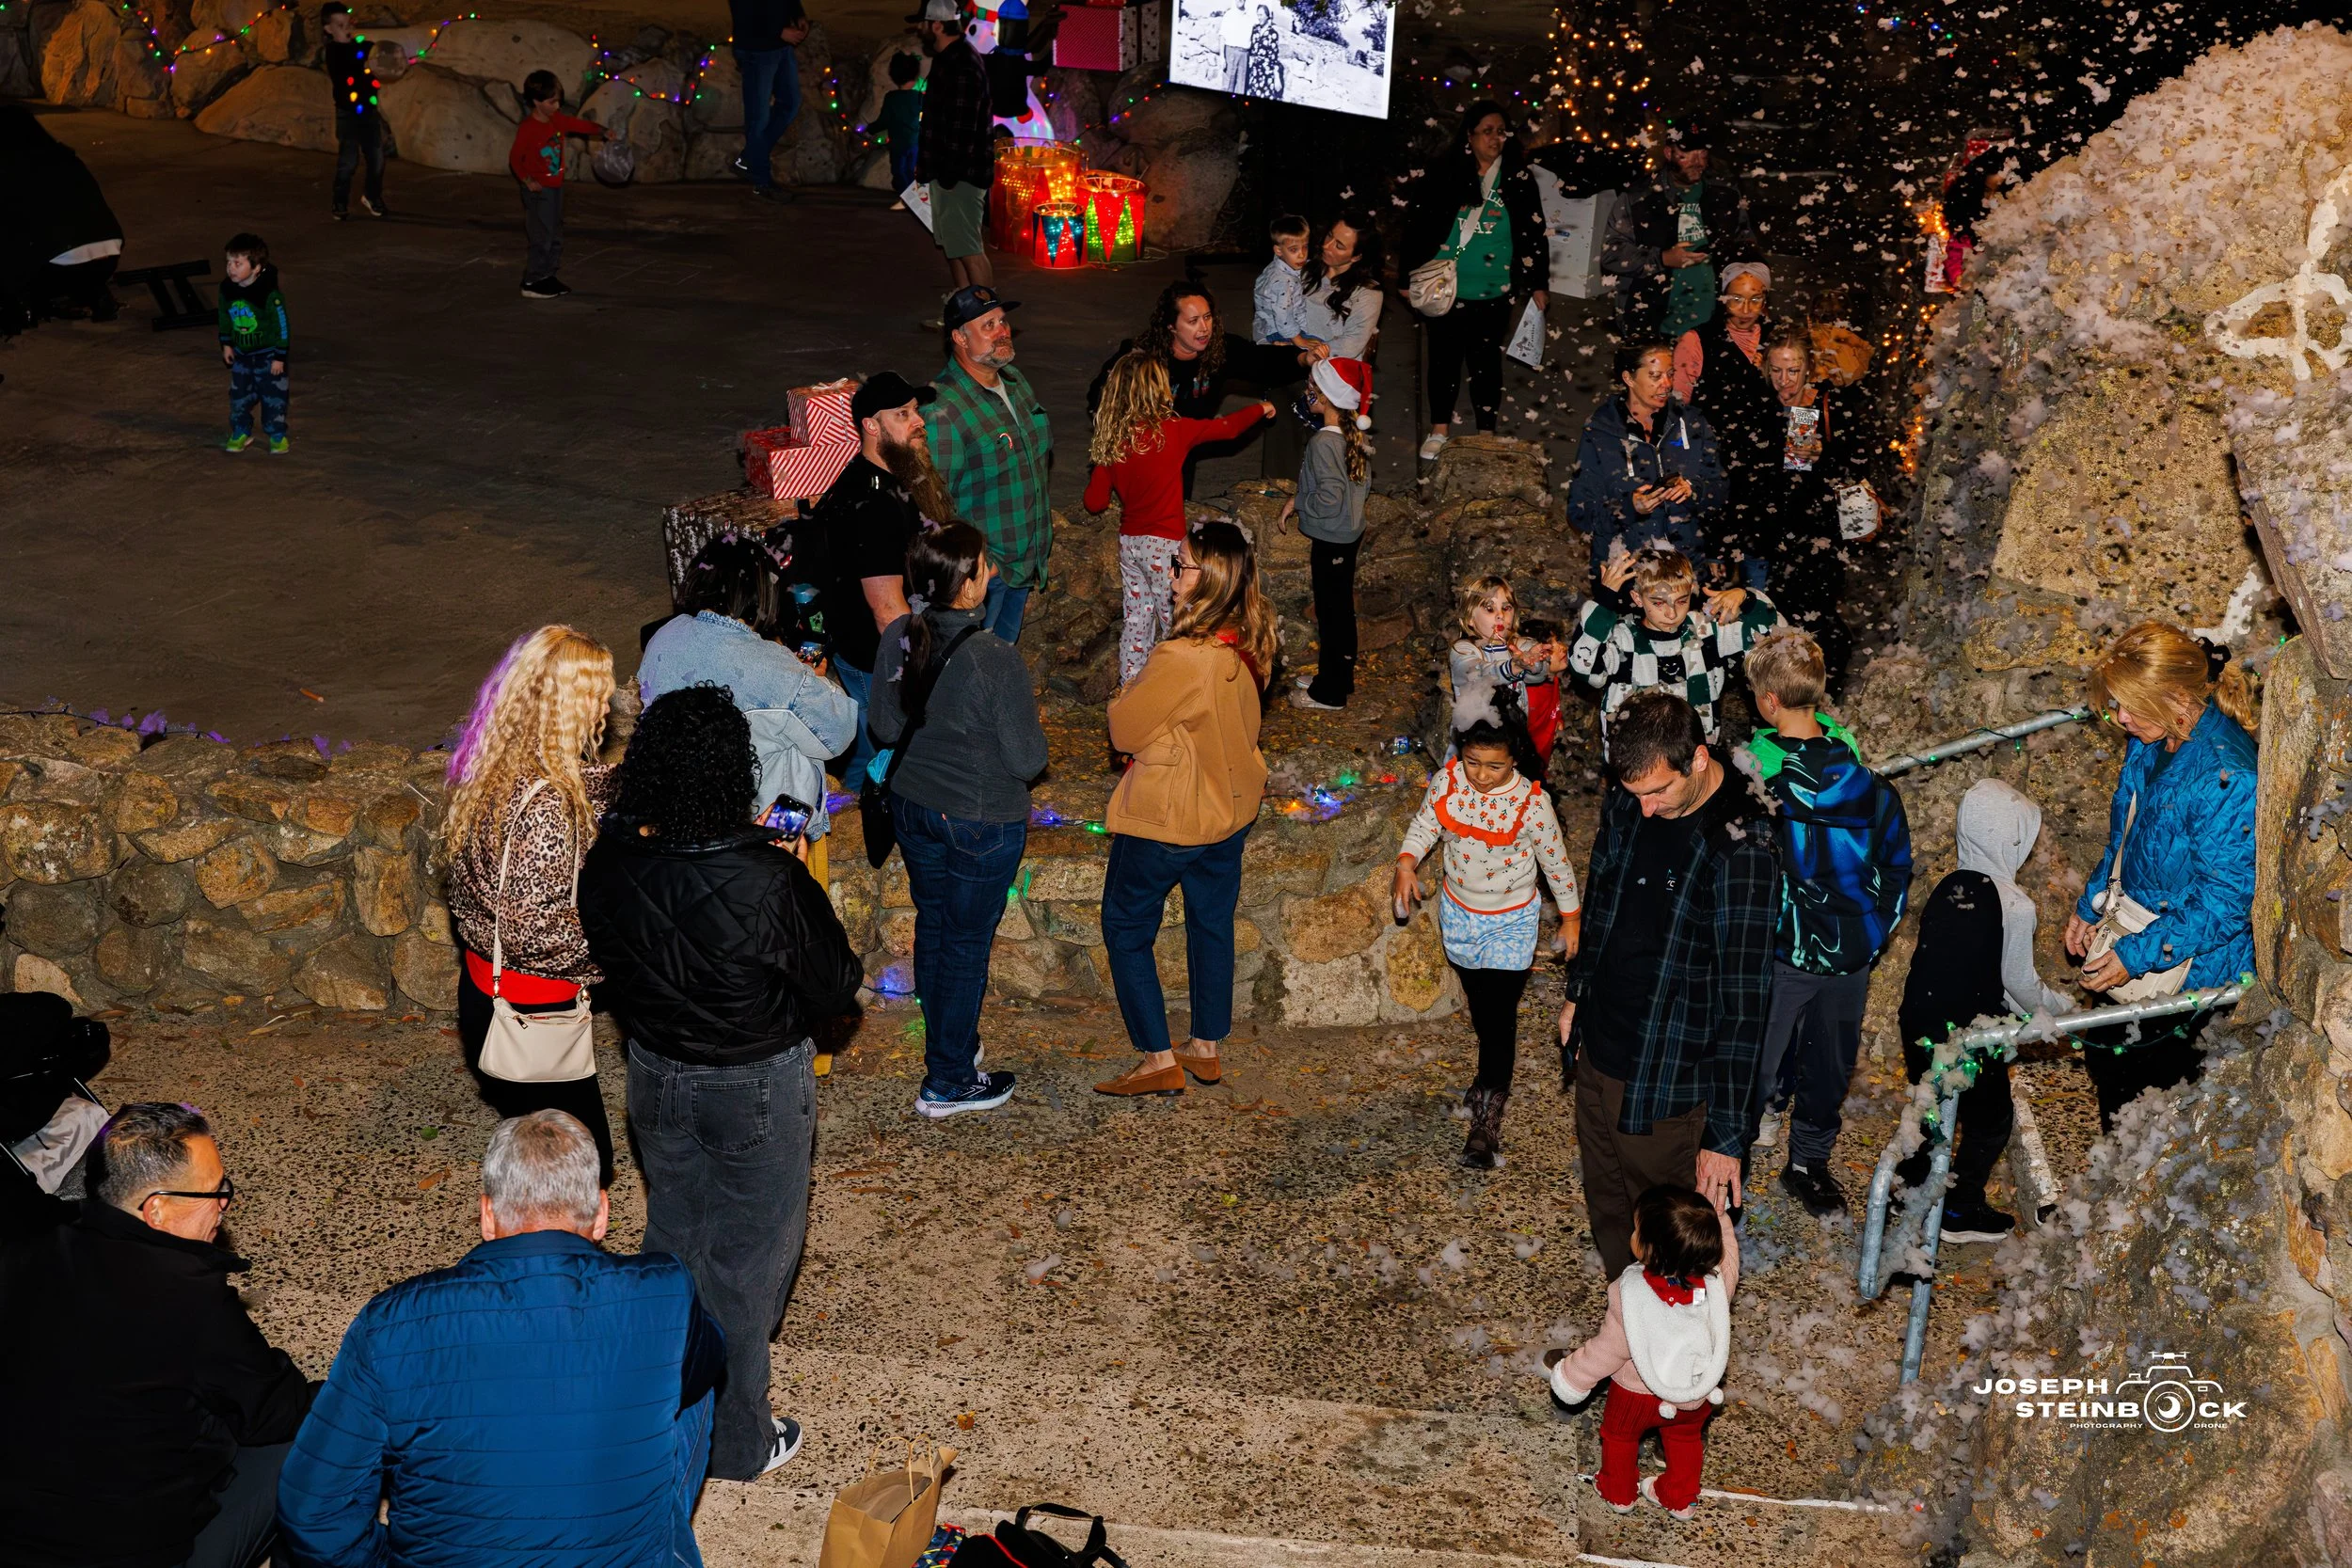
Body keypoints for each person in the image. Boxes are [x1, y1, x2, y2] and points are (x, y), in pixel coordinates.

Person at [577, 692, 862, 1481]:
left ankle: (647, 1406)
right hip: (755, 1085)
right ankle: (738, 1442)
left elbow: (612, 963)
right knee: (744, 1267)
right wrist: (797, 880)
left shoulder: (607, 865)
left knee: (673, 1242)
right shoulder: (767, 877)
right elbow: (837, 983)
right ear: (734, 770)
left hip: (657, 1076)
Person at [277, 1113, 727, 1560]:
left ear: (487, 1215)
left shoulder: (390, 1324)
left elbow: (312, 1509)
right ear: (601, 1213)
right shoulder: (664, 1289)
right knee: (691, 1361)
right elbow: (711, 1363)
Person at [0, 1102, 313, 1568]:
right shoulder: (187, 1298)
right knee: (316, 1436)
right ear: (157, 1210)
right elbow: (275, 1412)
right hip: (123, 1549)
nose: (225, 1204)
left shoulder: (26, 1253)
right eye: (214, 1192)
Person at [1560, 690, 1775, 1278]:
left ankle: (1668, 1365)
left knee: (1671, 1245)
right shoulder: (1632, 796)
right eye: (1635, 794)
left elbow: (1746, 1000)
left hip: (1669, 1079)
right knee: (1612, 1218)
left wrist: (1727, 1135)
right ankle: (1623, 1339)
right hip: (1602, 1046)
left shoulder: (1742, 846)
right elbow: (1602, 895)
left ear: (1698, 759)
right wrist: (1578, 992)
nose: (1646, 809)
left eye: (1659, 792)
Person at [869, 523, 1049, 1117]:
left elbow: (887, 729)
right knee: (966, 943)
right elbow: (1028, 760)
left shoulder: (898, 635)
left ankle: (953, 1047)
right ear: (966, 586)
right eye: (983, 567)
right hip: (978, 820)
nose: (993, 573)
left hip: (914, 808)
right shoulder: (995, 659)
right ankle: (947, 1080)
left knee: (938, 927)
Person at [1094, 521, 1275, 1099]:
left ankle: (1156, 1058)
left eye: (1183, 566)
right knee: (1210, 925)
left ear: (1211, 579)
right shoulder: (1249, 643)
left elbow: (1124, 729)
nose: (1172, 577)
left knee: (1125, 927)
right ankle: (1206, 1047)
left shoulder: (1182, 658)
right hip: (1229, 812)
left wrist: (1127, 696)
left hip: (1169, 818)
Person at [1738, 630, 1911, 1219]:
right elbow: (1896, 865)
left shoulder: (1758, 786)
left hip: (1781, 951)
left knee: (1754, 1059)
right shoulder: (1870, 785)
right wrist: (1870, 929)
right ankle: (1809, 1164)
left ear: (1767, 703)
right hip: (1851, 954)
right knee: (1830, 1062)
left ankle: (1726, 1163)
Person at [442, 625, 620, 1183]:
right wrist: (615, 957)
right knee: (585, 1167)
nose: (609, 701)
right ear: (567, 704)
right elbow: (535, 929)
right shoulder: (547, 804)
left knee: (538, 1150)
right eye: (597, 692)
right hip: (532, 1010)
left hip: (484, 984)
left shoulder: (490, 767)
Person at [2063, 624, 2259, 1130]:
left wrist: (2136, 956)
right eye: (2115, 704)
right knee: (2108, 1073)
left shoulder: (2227, 776)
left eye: (2132, 704)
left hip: (2189, 978)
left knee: (2148, 1113)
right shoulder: (2153, 739)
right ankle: (2105, 1203)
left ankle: (2124, 1205)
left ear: (2177, 695)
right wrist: (2091, 904)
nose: (2121, 718)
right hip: (2135, 940)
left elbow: (2227, 903)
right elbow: (2125, 838)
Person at [1892, 779, 2076, 1244]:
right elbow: (2017, 980)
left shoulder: (1948, 887)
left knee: (1929, 1108)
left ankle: (1907, 1197)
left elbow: (1968, 968)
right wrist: (2057, 1010)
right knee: (1991, 1119)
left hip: (1920, 1022)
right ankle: (1961, 1208)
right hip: (1973, 1035)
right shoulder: (2014, 905)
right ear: (2013, 840)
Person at [1394, 711, 1581, 1168]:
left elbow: (1555, 861)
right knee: (1483, 1008)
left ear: (1515, 760)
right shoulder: (1449, 783)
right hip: (1460, 915)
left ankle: (1486, 1118)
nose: (1480, 774)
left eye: (1493, 766)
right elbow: (1425, 827)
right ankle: (1488, 1074)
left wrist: (1571, 917)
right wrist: (1405, 863)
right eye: (1473, 761)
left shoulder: (1531, 804)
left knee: (1499, 1018)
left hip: (1512, 921)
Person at [638, 535, 860, 879]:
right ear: (763, 594)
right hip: (771, 831)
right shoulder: (771, 666)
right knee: (792, 918)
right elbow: (840, 731)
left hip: (679, 820)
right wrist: (810, 676)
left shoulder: (665, 636)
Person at [1543, 1185, 1739, 1522]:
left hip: (1636, 1396)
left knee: (1619, 1436)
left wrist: (1573, 1376)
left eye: (1637, 1230)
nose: (1633, 1234)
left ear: (1650, 1250)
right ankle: (1678, 1497)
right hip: (1697, 1394)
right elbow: (1730, 1253)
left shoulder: (1630, 1295)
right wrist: (1718, 1217)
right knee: (1684, 1440)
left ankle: (1618, 1492)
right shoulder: (1720, 1283)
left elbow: (1608, 1350)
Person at [1085, 350, 1275, 681]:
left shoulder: (1114, 442)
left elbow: (1095, 502)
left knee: (1136, 621)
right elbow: (1227, 429)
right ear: (1158, 389)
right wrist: (1260, 408)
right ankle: (1173, 682)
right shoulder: (1173, 430)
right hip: (1165, 547)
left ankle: (1131, 686)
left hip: (1130, 545)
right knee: (1175, 618)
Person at [808, 371, 948, 794]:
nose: (918, 421)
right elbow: (887, 609)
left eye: (916, 411)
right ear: (871, 426)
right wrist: (919, 670)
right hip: (876, 657)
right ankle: (859, 821)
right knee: (883, 754)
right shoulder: (874, 504)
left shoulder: (888, 477)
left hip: (865, 648)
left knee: (873, 749)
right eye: (902, 414)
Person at [1717, 327, 1872, 682]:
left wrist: (1822, 454)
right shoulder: (1754, 406)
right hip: (1765, 537)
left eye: (1793, 370)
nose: (1784, 379)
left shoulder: (1829, 404)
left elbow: (1858, 464)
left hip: (1816, 537)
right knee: (1768, 624)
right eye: (1776, 369)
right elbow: (1738, 473)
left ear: (1808, 369)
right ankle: (1778, 698)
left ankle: (1821, 692)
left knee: (1816, 623)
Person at [1402, 100, 1549, 462]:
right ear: (1469, 135)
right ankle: (1439, 430)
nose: (1496, 138)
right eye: (1487, 131)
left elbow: (1534, 232)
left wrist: (1538, 282)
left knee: (1486, 362)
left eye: (1501, 131)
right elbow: (1416, 224)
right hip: (1446, 286)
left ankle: (1486, 432)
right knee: (1443, 360)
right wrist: (1407, 273)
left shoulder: (1517, 176)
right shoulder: (1446, 172)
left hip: (1494, 289)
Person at [1084, 282, 1301, 496]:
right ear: (1171, 326)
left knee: (1176, 505)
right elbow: (1100, 395)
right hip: (1139, 444)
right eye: (1193, 321)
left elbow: (1263, 361)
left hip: (1182, 442)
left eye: (1207, 317)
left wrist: (1303, 358)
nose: (1204, 327)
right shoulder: (1142, 358)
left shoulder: (1220, 349)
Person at [930, 284, 1053, 641]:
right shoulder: (943, 409)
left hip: (1024, 565)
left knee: (1001, 667)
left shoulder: (1015, 381)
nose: (1002, 330)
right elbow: (936, 507)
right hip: (987, 578)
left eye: (1002, 321)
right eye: (988, 325)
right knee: (972, 675)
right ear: (959, 338)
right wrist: (984, 566)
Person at [1567, 546, 1780, 751]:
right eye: (1658, 603)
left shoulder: (1707, 632)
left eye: (1681, 600)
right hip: (1636, 764)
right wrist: (1605, 601)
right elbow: (1584, 669)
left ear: (1691, 592)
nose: (1671, 614)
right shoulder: (1621, 639)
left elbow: (1775, 636)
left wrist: (1746, 598)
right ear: (1637, 598)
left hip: (1696, 760)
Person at [1565, 340, 1735, 584]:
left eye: (1670, 374)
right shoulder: (1601, 432)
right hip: (1628, 575)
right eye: (1655, 376)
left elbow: (1721, 491)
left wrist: (1694, 490)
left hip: (1686, 574)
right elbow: (1579, 513)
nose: (1666, 384)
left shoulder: (1692, 422)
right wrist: (1629, 507)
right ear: (1629, 378)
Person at [1599, 116, 1759, 340]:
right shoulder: (1638, 198)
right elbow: (1611, 254)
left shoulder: (1725, 194)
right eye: (1687, 154)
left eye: (1702, 153)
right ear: (1669, 153)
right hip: (1654, 321)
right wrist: (1662, 258)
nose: (1698, 161)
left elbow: (1746, 245)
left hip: (1714, 323)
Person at [1279, 356, 1375, 712]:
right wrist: (1300, 499)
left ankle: (1330, 693)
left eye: (1312, 388)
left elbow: (1330, 496)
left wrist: (1303, 502)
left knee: (1331, 615)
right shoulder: (1355, 435)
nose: (1307, 393)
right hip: (1348, 535)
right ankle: (1337, 675)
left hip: (1332, 538)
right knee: (1340, 612)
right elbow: (1358, 489)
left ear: (1324, 397)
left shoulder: (1323, 443)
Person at [0, 105, 124, 325]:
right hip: (107, 261)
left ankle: (22, 303)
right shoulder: (65, 156)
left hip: (52, 271)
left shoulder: (10, 166)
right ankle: (96, 293)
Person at [1449, 573, 1562, 786]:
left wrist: (1533, 662)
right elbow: (1477, 674)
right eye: (1489, 609)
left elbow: (1538, 673)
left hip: (1512, 742)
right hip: (1473, 744)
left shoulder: (1522, 645)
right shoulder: (1463, 649)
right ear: (1470, 619)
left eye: (1506, 608)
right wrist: (1514, 666)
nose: (1500, 615)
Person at [508, 69, 612, 301]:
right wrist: (527, 180)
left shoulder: (556, 120)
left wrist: (602, 131)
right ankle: (532, 281)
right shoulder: (528, 129)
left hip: (555, 187)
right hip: (538, 190)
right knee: (541, 235)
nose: (556, 106)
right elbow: (515, 158)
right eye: (551, 101)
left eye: (558, 101)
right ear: (536, 102)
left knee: (555, 233)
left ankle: (548, 275)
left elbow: (578, 125)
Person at [914, 0, 995, 292]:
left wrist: (947, 176)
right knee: (954, 247)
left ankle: (987, 322)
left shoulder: (960, 65)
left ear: (936, 25)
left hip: (960, 175)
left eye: (922, 24)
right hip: (949, 173)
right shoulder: (950, 59)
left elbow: (963, 128)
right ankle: (962, 314)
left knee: (969, 250)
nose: (919, 30)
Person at [217, 232, 291, 455]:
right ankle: (241, 430)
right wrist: (227, 344)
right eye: (229, 262)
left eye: (238, 263)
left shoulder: (269, 294)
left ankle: (277, 434)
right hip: (242, 355)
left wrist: (280, 356)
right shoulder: (227, 289)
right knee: (238, 396)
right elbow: (224, 316)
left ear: (256, 267)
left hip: (268, 356)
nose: (231, 268)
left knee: (273, 397)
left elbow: (282, 326)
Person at [730, 0, 810, 203]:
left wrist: (798, 14)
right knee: (759, 117)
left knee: (790, 103)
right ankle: (761, 181)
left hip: (779, 47)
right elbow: (743, 9)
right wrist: (778, 30)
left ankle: (750, 159)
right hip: (757, 49)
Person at [1672, 261, 1772, 408]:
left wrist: (1802, 433)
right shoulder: (1698, 340)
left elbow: (1804, 399)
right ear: (1723, 299)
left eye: (1755, 299)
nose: (1745, 310)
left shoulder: (1779, 338)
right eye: (1736, 299)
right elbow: (1677, 406)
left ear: (1765, 301)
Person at [321, 3, 386, 219]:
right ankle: (339, 202)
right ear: (329, 29)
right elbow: (346, 73)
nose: (347, 28)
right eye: (340, 25)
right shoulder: (333, 52)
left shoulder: (364, 46)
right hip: (347, 113)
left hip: (368, 110)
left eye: (348, 23)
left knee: (376, 157)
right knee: (348, 161)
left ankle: (372, 196)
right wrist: (366, 63)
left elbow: (379, 55)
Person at [1253, 213, 1312, 346]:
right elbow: (1283, 316)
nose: (1302, 254)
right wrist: (1299, 340)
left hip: (1270, 324)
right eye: (1294, 250)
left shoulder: (1281, 263)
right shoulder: (1282, 281)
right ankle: (1280, 346)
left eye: (1305, 247)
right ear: (1278, 250)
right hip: (1278, 330)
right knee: (1321, 347)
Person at [878, 51, 925, 198]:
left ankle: (908, 197)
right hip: (914, 142)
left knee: (899, 170)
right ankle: (912, 197)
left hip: (898, 143)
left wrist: (871, 128)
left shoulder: (891, 97)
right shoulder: (918, 97)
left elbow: (884, 119)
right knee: (910, 170)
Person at [1243, 1, 1285, 98]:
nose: (1259, 17)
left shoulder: (1273, 34)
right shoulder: (1255, 30)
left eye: (1261, 15)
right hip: (1254, 72)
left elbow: (1274, 57)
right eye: (1258, 15)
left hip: (1267, 73)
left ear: (1267, 16)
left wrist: (1276, 77)